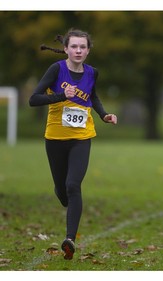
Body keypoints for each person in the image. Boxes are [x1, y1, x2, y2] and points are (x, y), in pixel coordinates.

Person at [29, 28, 117, 259]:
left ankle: (69, 239)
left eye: (83, 47)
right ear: (66, 49)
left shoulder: (92, 73)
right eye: (74, 46)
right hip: (55, 138)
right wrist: (62, 96)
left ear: (88, 51)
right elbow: (33, 99)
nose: (78, 50)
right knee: (62, 191)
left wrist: (104, 115)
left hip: (81, 137)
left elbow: (93, 96)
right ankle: (63, 195)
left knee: (73, 185)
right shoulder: (56, 70)